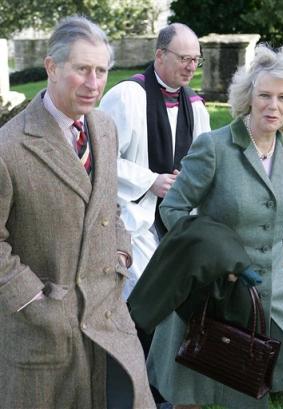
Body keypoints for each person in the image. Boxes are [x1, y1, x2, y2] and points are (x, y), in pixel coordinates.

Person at [146, 44, 283, 409]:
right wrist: (215, 262)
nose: (273, 106)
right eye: (265, 96)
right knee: (190, 396)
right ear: (249, 98)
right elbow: (174, 209)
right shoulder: (214, 147)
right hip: (216, 293)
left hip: (275, 293)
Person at [0, 15, 155, 409]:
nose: (94, 82)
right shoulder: (9, 147)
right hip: (44, 331)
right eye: (82, 69)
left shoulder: (104, 127)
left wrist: (121, 253)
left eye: (101, 70)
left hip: (109, 318)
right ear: (51, 67)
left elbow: (108, 203)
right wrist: (36, 304)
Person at [99, 23, 210, 300]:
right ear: (160, 55)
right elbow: (100, 159)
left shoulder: (195, 106)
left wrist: (187, 181)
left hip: (179, 217)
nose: (191, 66)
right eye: (184, 58)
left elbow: (205, 164)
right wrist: (150, 181)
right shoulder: (126, 96)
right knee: (145, 295)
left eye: (196, 60)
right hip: (134, 218)